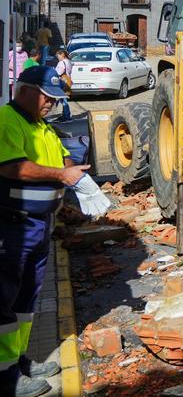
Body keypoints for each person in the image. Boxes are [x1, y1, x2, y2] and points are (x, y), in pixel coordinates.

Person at [0, 67, 109, 397]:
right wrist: (62, 176)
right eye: (47, 97)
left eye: (55, 99)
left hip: (38, 225)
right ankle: (5, 377)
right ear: (24, 91)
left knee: (26, 299)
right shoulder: (7, 121)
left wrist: (76, 180)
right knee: (4, 300)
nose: (51, 103)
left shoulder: (41, 124)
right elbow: (12, 167)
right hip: (13, 226)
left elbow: (62, 158)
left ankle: (19, 360)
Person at [52, 50, 72, 122]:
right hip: (67, 81)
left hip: (62, 82)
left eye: (58, 56)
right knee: (63, 98)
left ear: (62, 55)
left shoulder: (61, 62)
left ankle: (67, 116)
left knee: (63, 99)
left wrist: (54, 71)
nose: (58, 58)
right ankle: (65, 115)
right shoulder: (68, 61)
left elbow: (59, 72)